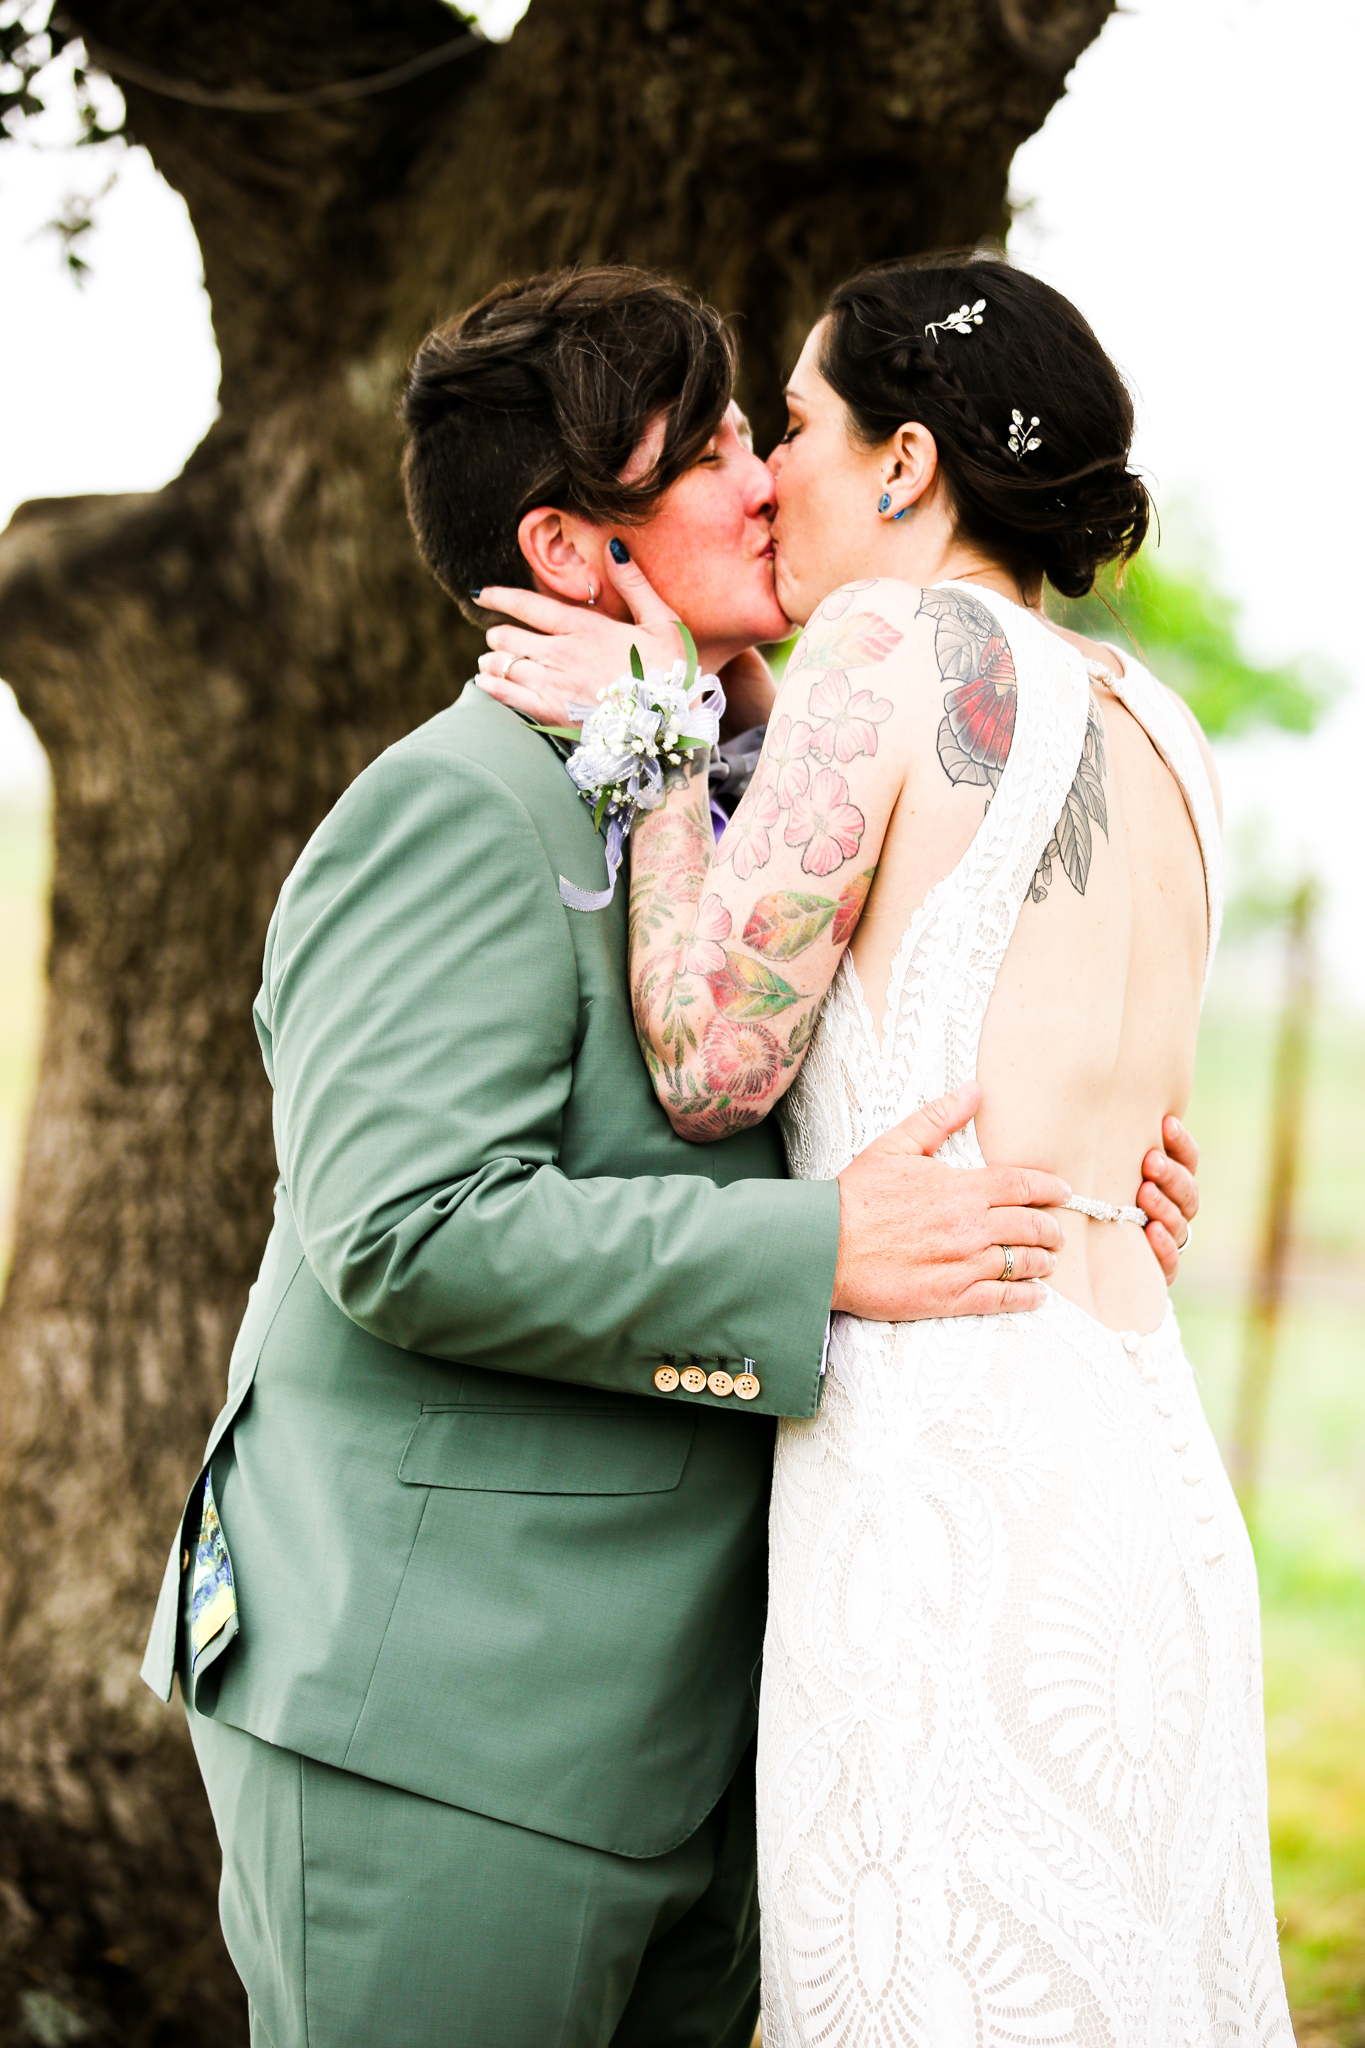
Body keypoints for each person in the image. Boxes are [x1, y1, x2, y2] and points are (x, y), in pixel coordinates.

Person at [140, 266, 1200, 2048]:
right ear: (569, 551)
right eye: (713, 449)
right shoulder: (455, 806)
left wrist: (1079, 1174)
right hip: (451, 1718)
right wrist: (825, 1253)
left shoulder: (799, 768)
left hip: (758, 1717)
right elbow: (399, 1230)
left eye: (759, 431)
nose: (764, 479)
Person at [479, 253, 1290, 2042]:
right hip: (1144, 1468)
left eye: (796, 425)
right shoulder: (1157, 729)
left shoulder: (880, 642)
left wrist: (642, 731)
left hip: (951, 1487)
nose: (771, 472)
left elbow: (706, 1057)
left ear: (908, 464)